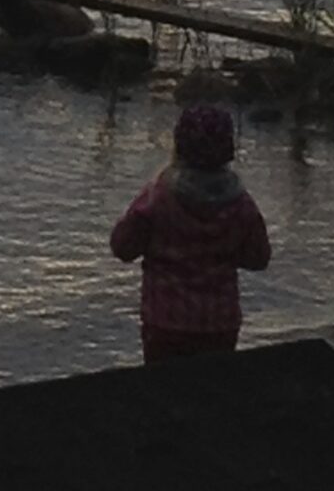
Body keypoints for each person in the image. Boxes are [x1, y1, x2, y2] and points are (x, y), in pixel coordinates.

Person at [111, 102, 271, 362]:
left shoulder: (158, 197)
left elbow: (122, 247)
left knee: (164, 393)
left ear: (179, 145)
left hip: (165, 320)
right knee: (210, 393)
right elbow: (259, 258)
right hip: (219, 322)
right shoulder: (241, 203)